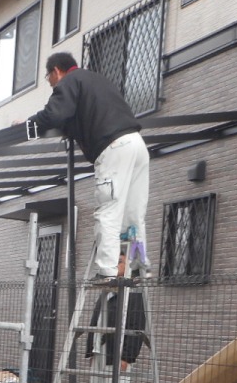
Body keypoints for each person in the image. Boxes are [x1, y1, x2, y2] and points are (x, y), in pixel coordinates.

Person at [25, 51, 149, 279]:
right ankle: (140, 267)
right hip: (137, 145)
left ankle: (108, 271)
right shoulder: (98, 81)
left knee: (108, 210)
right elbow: (74, 117)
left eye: (48, 78)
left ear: (56, 71)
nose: (50, 83)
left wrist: (27, 126)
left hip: (114, 148)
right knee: (134, 214)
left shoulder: (70, 81)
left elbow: (54, 115)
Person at [86, 251, 148, 383]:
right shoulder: (106, 293)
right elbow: (95, 322)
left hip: (117, 353)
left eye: (120, 262)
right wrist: (90, 351)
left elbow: (136, 327)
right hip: (99, 350)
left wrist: (127, 357)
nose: (115, 265)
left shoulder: (133, 296)